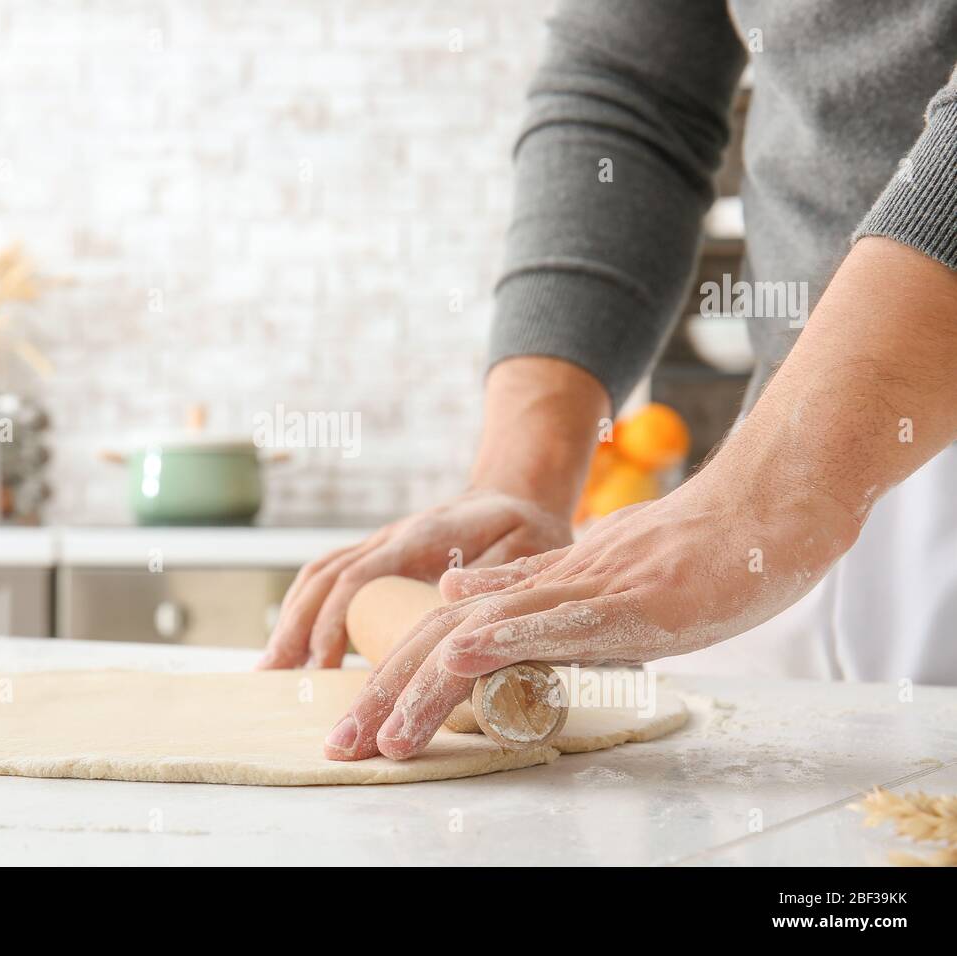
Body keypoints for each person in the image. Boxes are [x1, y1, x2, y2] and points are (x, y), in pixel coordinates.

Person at [258, 0, 957, 763]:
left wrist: (771, 491)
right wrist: (521, 483)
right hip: (784, 501)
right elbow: (630, 90)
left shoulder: (771, 500)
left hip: (797, 481)